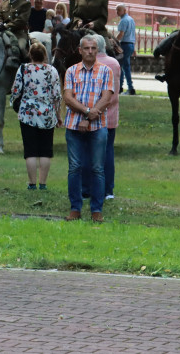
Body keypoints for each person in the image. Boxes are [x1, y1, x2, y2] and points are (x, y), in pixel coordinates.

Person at [62, 35, 114, 223]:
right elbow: (67, 97)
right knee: (75, 168)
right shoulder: (71, 71)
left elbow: (106, 97)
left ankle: (96, 210)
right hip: (74, 126)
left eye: (93, 48)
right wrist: (86, 113)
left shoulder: (106, 71)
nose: (90, 51)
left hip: (98, 126)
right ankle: (75, 208)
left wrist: (90, 115)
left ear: (97, 50)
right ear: (80, 50)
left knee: (97, 168)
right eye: (86, 48)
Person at [10, 42, 61, 191]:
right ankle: (43, 183)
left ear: (30, 55)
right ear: (45, 55)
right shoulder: (52, 70)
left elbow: (15, 90)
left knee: (30, 150)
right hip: (47, 113)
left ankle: (32, 183)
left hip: (28, 113)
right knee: (46, 150)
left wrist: (14, 103)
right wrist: (58, 115)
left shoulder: (23, 69)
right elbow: (57, 96)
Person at [89, 34, 120, 201]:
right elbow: (117, 90)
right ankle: (108, 190)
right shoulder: (114, 63)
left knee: (89, 152)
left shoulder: (91, 64)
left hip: (92, 115)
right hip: (111, 116)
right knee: (108, 152)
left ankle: (88, 189)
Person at [0, 0, 30, 74]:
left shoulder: (25, 3)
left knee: (21, 48)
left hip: (19, 33)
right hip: (4, 32)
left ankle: (24, 72)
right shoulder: (4, 3)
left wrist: (6, 26)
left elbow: (21, 20)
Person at [115, 4, 136, 95]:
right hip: (130, 44)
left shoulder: (124, 20)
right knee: (125, 66)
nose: (117, 12)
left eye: (119, 10)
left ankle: (124, 87)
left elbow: (121, 34)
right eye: (116, 10)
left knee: (122, 67)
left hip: (125, 45)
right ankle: (127, 87)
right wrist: (133, 47)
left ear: (124, 11)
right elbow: (133, 34)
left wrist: (115, 41)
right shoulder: (131, 19)